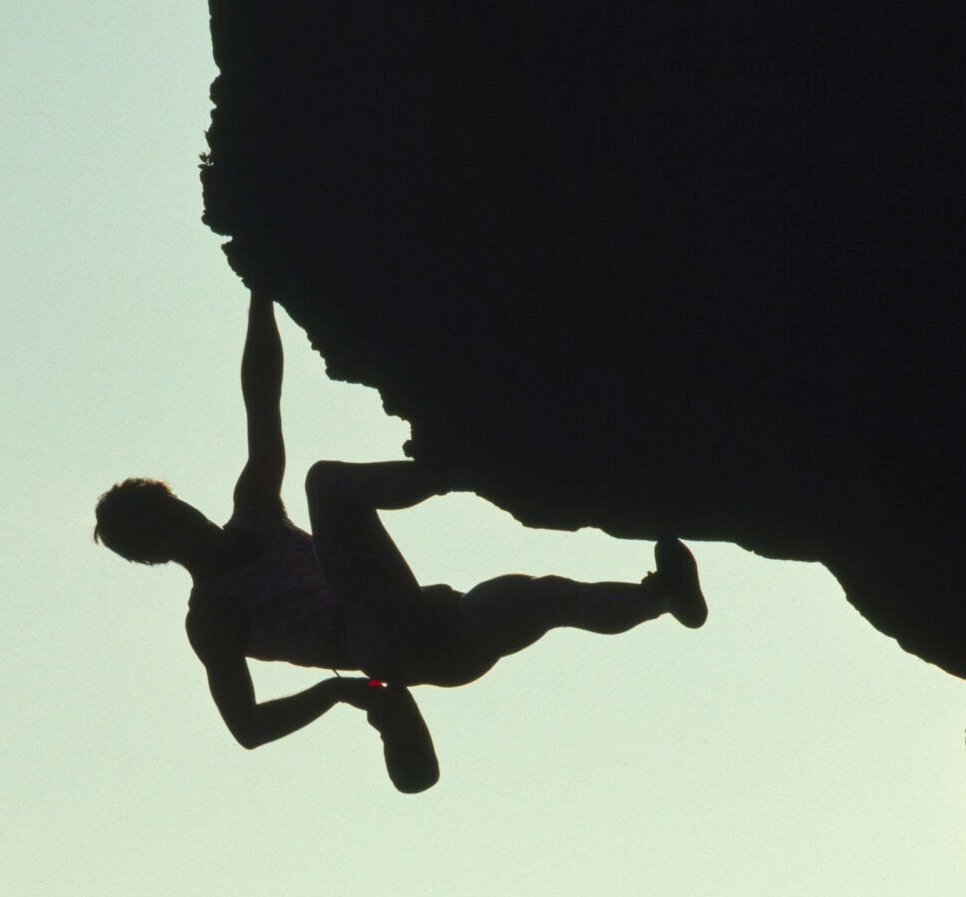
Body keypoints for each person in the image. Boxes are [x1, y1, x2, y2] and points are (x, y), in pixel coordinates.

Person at [93, 289, 707, 791]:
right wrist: (337, 691)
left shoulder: (252, 511)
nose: (186, 516)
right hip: (381, 645)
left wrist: (261, 296)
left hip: (442, 641)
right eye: (167, 521)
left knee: (547, 597)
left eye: (174, 504)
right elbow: (247, 727)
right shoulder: (213, 616)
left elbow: (261, 399)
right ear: (156, 550)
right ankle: (457, 466)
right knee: (327, 486)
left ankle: (663, 600)